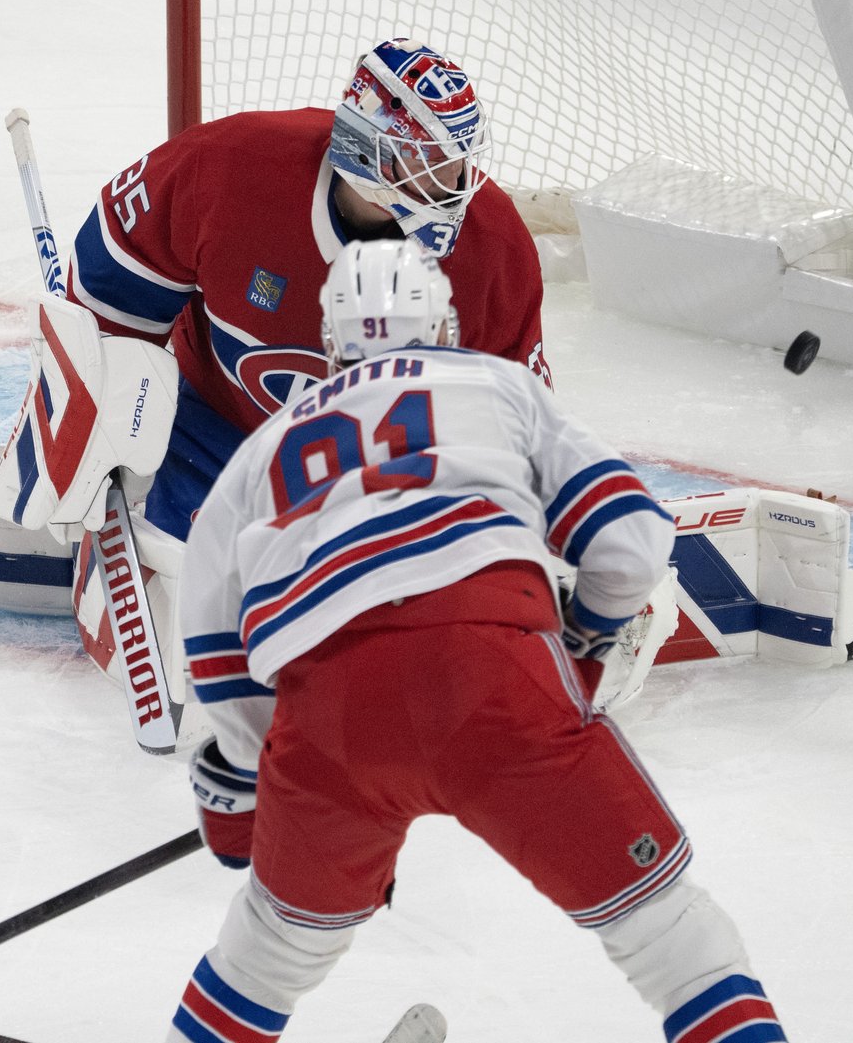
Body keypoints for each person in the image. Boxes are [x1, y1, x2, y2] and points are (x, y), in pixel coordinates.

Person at [169, 239, 788, 1043]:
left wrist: (255, 774)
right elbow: (632, 538)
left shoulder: (262, 449)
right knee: (671, 936)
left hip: (331, 718)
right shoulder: (496, 383)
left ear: (328, 343)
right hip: (491, 671)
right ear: (445, 323)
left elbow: (216, 646)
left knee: (265, 955)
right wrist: (585, 636)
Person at [59, 36, 550, 693]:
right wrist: (92, 419)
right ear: (366, 155)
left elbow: (517, 431)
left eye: (458, 164)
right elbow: (111, 280)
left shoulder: (494, 247)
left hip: (394, 477)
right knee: (199, 610)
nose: (456, 189)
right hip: (223, 443)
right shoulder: (230, 171)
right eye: (431, 164)